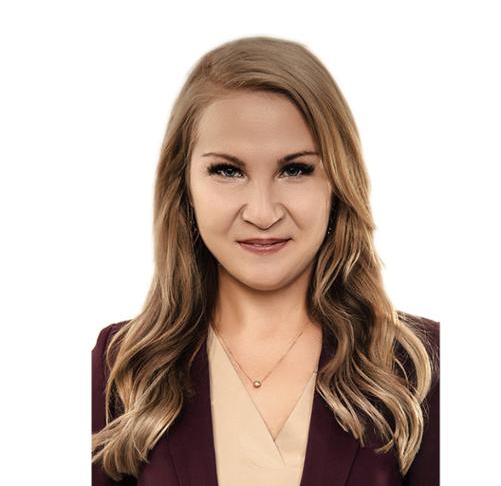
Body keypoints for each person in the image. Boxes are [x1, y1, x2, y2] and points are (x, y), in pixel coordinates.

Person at [92, 36, 439, 486]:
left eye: (295, 169)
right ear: (184, 186)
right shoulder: (123, 365)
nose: (262, 212)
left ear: (338, 183)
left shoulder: (423, 365)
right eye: (228, 170)